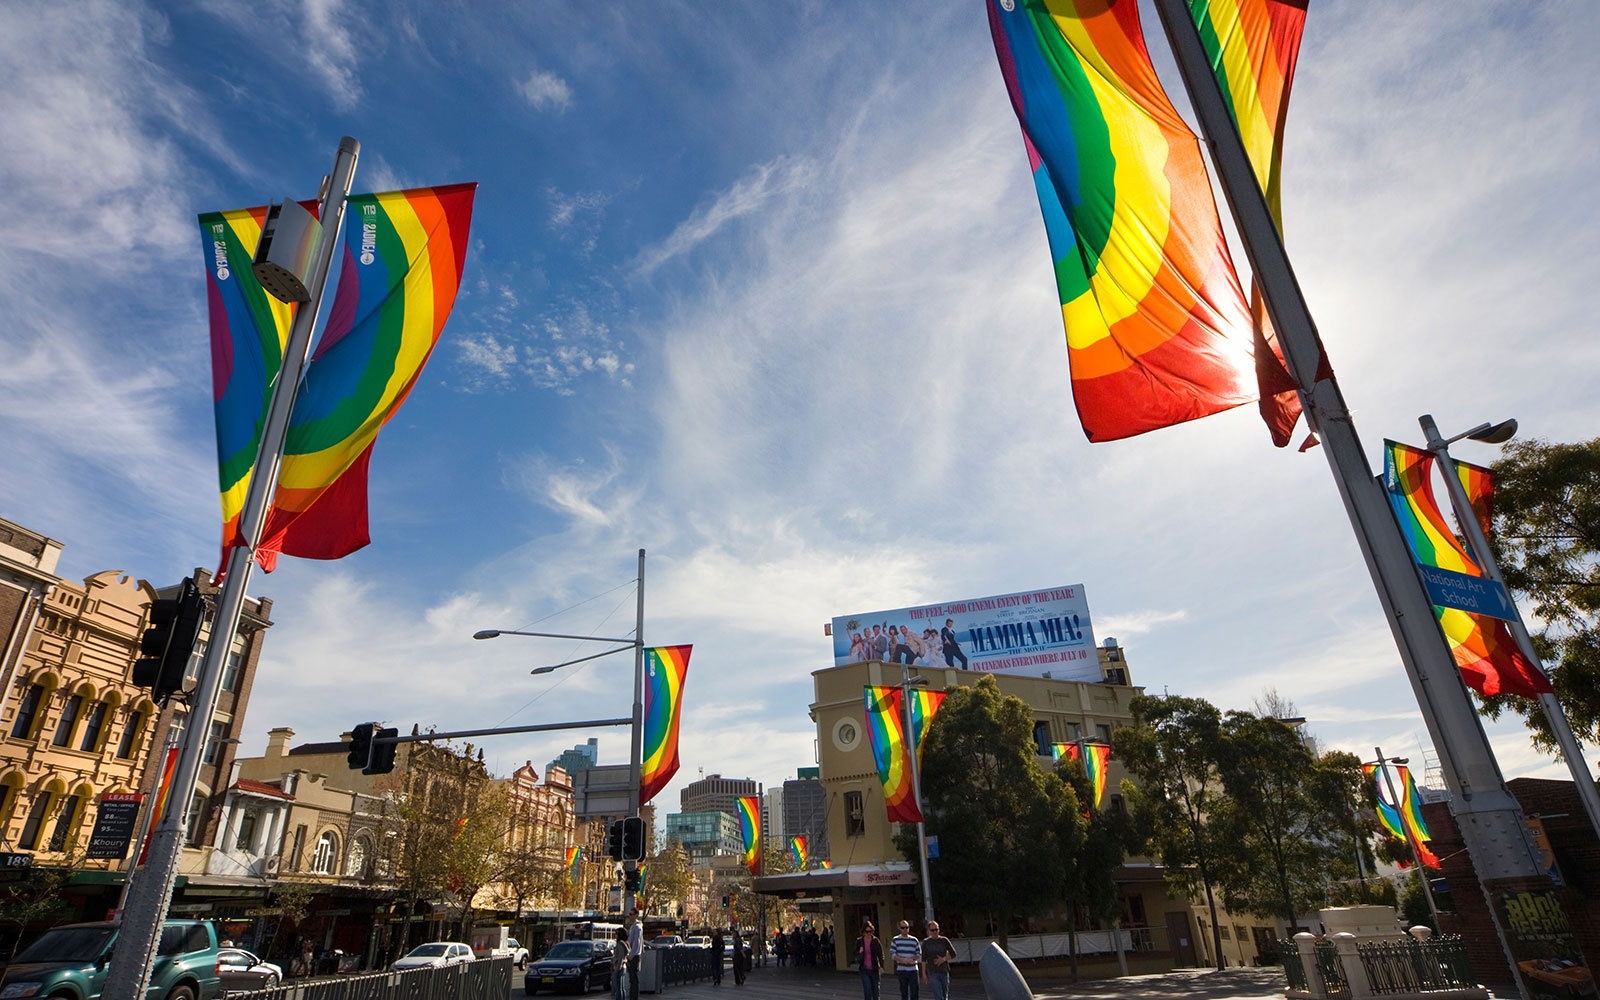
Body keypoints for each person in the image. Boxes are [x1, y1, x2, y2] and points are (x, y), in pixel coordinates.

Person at [922, 921, 954, 1000]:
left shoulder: (944, 940)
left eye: (936, 930)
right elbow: (923, 959)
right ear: (929, 931)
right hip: (933, 972)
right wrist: (924, 973)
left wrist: (943, 959)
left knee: (944, 994)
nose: (935, 932)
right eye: (933, 930)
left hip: (944, 971)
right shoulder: (926, 943)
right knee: (938, 995)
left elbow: (953, 954)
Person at [891, 920, 922, 1000]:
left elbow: (919, 953)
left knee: (915, 992)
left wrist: (912, 959)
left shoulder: (914, 940)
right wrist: (902, 959)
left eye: (907, 927)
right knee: (904, 992)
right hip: (902, 970)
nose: (905, 929)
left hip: (913, 970)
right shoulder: (895, 940)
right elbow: (892, 954)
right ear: (899, 928)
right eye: (903, 927)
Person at [856, 922, 883, 1000]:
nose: (868, 933)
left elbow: (880, 954)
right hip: (864, 969)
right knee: (867, 990)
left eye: (870, 932)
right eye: (867, 932)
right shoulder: (859, 941)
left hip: (874, 969)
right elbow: (855, 954)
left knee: (876, 992)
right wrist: (859, 952)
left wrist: (881, 966)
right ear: (863, 932)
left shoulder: (875, 941)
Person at [625, 911, 643, 1000]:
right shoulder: (633, 927)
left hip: (634, 956)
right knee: (632, 979)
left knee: (634, 979)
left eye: (632, 914)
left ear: (636, 915)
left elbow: (636, 943)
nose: (630, 916)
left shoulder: (637, 927)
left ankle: (634, 997)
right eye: (630, 914)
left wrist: (630, 956)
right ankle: (633, 996)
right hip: (633, 955)